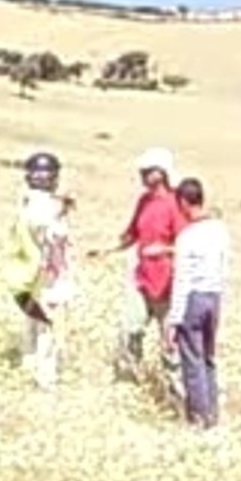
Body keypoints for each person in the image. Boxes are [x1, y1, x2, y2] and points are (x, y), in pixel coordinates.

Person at [88, 147, 187, 385]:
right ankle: (129, 380)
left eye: (148, 171)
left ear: (162, 173)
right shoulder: (144, 201)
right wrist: (107, 250)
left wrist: (163, 250)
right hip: (142, 279)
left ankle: (177, 392)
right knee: (130, 329)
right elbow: (132, 234)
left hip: (168, 284)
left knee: (170, 343)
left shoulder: (175, 204)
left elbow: (188, 246)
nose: (142, 175)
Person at [5, 151, 77, 391]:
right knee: (47, 324)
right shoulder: (43, 206)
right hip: (47, 275)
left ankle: (28, 363)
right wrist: (61, 212)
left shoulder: (26, 201)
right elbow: (53, 234)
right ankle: (45, 376)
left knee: (31, 320)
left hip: (26, 271)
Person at [163, 177, 231, 431]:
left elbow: (182, 281)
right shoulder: (220, 231)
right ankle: (213, 412)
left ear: (183, 202)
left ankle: (199, 417)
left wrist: (173, 320)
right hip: (214, 296)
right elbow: (224, 269)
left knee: (192, 359)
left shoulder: (187, 237)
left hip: (193, 298)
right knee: (208, 357)